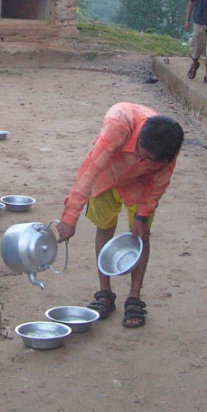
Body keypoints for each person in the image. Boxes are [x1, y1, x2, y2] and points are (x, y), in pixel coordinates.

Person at [55, 103, 184, 329]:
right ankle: (105, 293)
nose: (147, 163)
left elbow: (159, 183)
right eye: (145, 157)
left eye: (154, 162)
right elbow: (90, 170)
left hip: (142, 184)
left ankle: (134, 298)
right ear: (139, 141)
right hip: (107, 174)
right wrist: (69, 218)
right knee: (104, 228)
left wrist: (142, 216)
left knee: (141, 236)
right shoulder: (118, 124)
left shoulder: (169, 146)